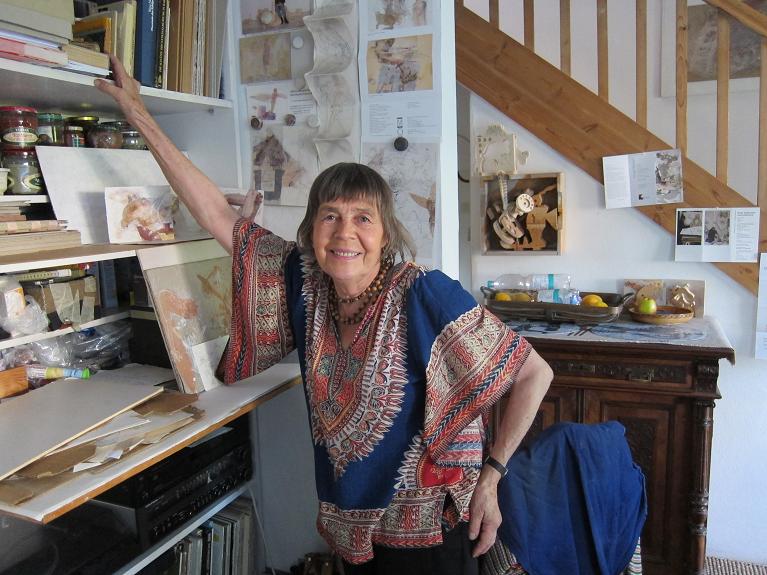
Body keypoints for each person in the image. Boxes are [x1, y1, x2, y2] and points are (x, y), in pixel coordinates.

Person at [96, 55, 553, 573]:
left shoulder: (423, 293)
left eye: (363, 218)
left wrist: (493, 475)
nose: (344, 232)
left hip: (432, 528)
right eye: (330, 215)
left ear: (386, 234)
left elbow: (534, 373)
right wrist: (138, 113)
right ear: (312, 227)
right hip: (352, 526)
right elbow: (217, 214)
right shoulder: (305, 284)